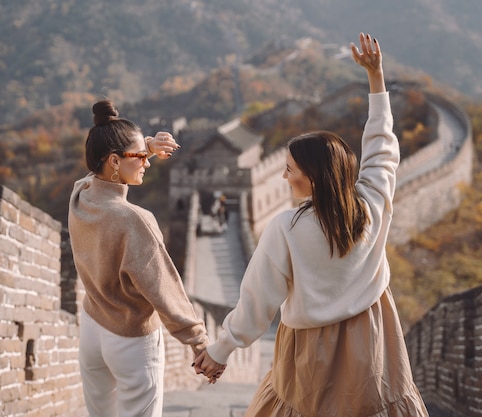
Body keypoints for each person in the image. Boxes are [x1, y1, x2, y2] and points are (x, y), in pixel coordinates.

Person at [193, 33, 430, 416]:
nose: (284, 178)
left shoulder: (286, 227)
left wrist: (220, 351)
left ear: (314, 177)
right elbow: (382, 147)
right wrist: (377, 77)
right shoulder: (370, 207)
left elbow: (257, 300)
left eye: (289, 170)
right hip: (373, 341)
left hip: (308, 348)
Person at [68, 99, 209, 417]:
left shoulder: (81, 194)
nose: (146, 162)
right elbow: (163, 287)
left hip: (92, 330)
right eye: (139, 158)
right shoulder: (135, 219)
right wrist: (198, 341)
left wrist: (142, 146)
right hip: (130, 340)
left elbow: (99, 170)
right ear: (115, 161)